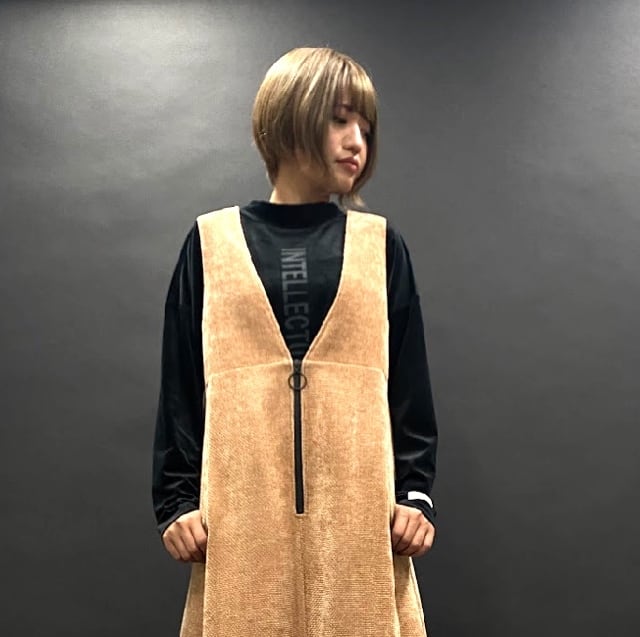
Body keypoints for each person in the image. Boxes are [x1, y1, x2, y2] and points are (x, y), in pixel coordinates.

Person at [152, 46, 439, 637]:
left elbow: (410, 387)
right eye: (340, 119)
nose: (357, 140)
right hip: (241, 529)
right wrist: (176, 502)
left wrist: (416, 494)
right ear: (288, 120)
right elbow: (180, 384)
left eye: (366, 127)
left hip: (361, 529)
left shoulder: (381, 247)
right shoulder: (209, 244)